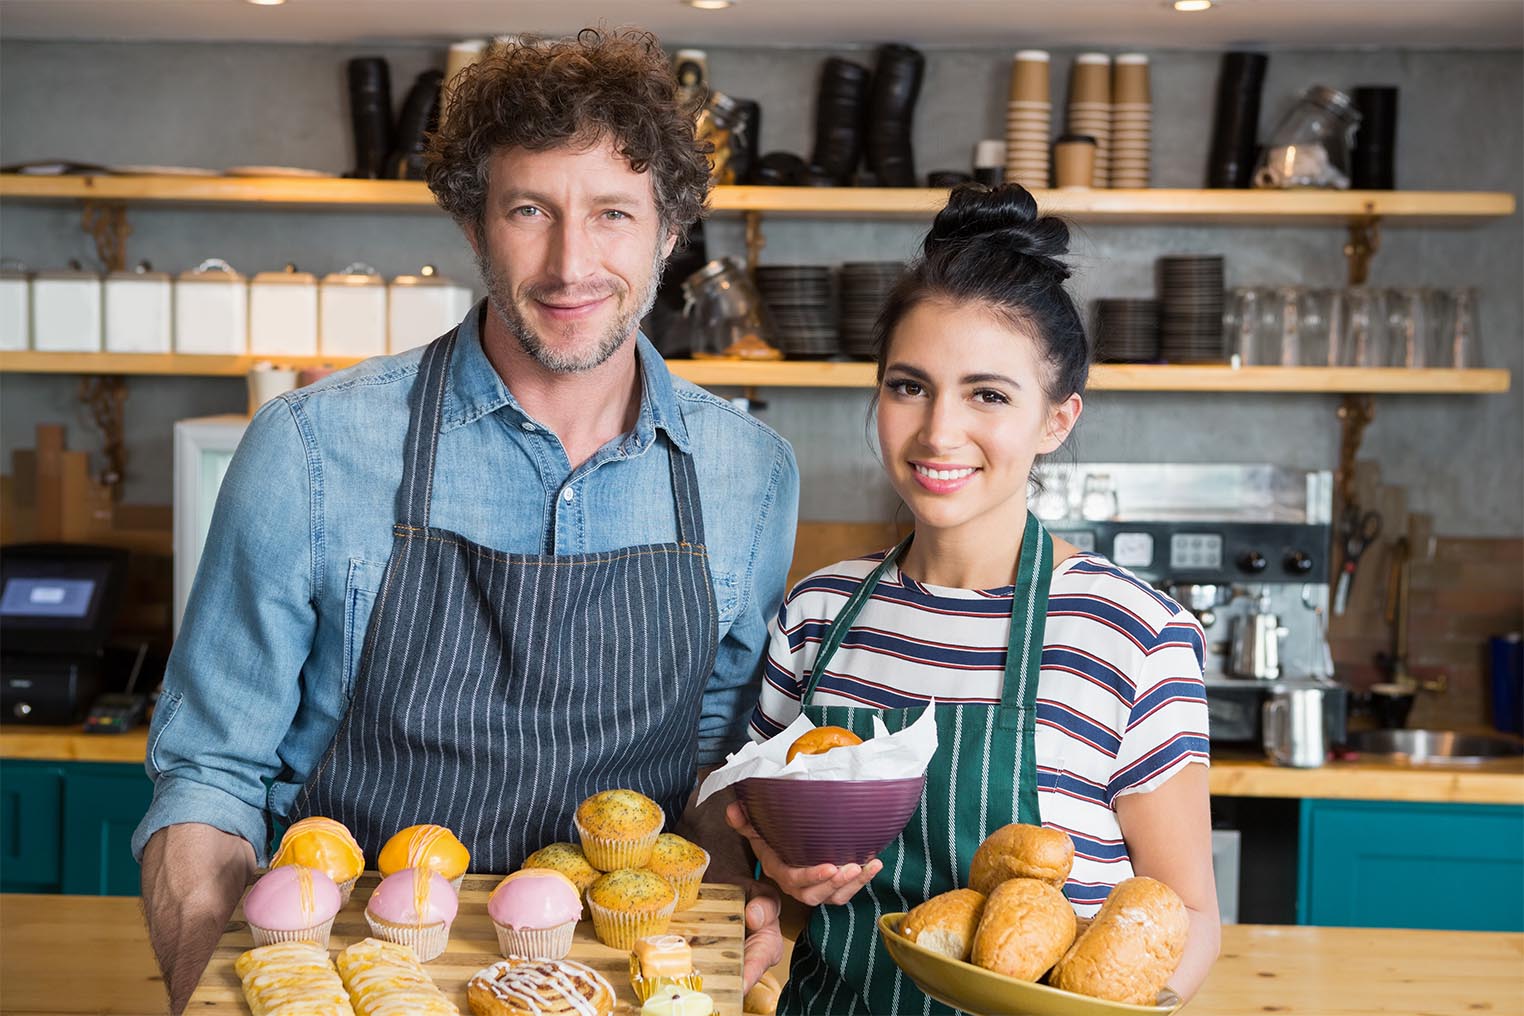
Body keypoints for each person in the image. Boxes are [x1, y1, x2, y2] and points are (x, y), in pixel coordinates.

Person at [132, 29, 797, 1012]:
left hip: (614, 988)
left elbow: (714, 765)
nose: (572, 263)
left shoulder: (748, 473)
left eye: (612, 212)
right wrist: (219, 985)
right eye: (530, 209)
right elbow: (210, 772)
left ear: (669, 230)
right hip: (356, 983)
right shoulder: (312, 450)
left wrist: (755, 890)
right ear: (475, 226)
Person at [728, 183, 1220, 1013]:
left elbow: (1190, 909)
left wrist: (1143, 1001)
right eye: (908, 386)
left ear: (1057, 420)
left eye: (988, 394)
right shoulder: (817, 613)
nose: (937, 432)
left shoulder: (1134, 632)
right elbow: (759, 855)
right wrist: (774, 877)